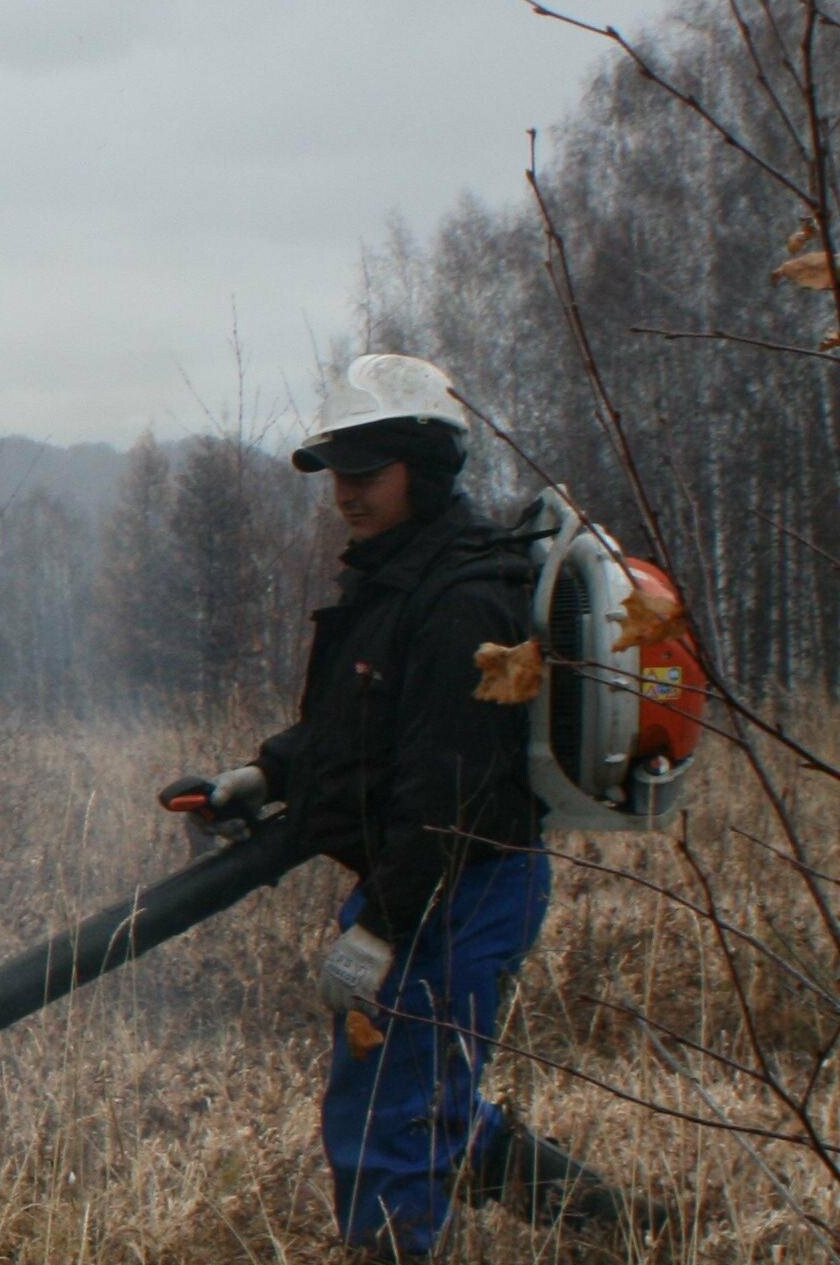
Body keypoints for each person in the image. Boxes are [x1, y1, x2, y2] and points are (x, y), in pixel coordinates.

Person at [157, 354, 652, 1261]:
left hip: (461, 886)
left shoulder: (465, 599)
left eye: (366, 472)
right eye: (336, 472)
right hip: (427, 880)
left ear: (423, 468)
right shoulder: (398, 576)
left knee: (390, 1113)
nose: (346, 492)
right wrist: (262, 775)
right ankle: (619, 1225)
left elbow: (446, 791)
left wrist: (379, 929)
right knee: (421, 1095)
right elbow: (360, 726)